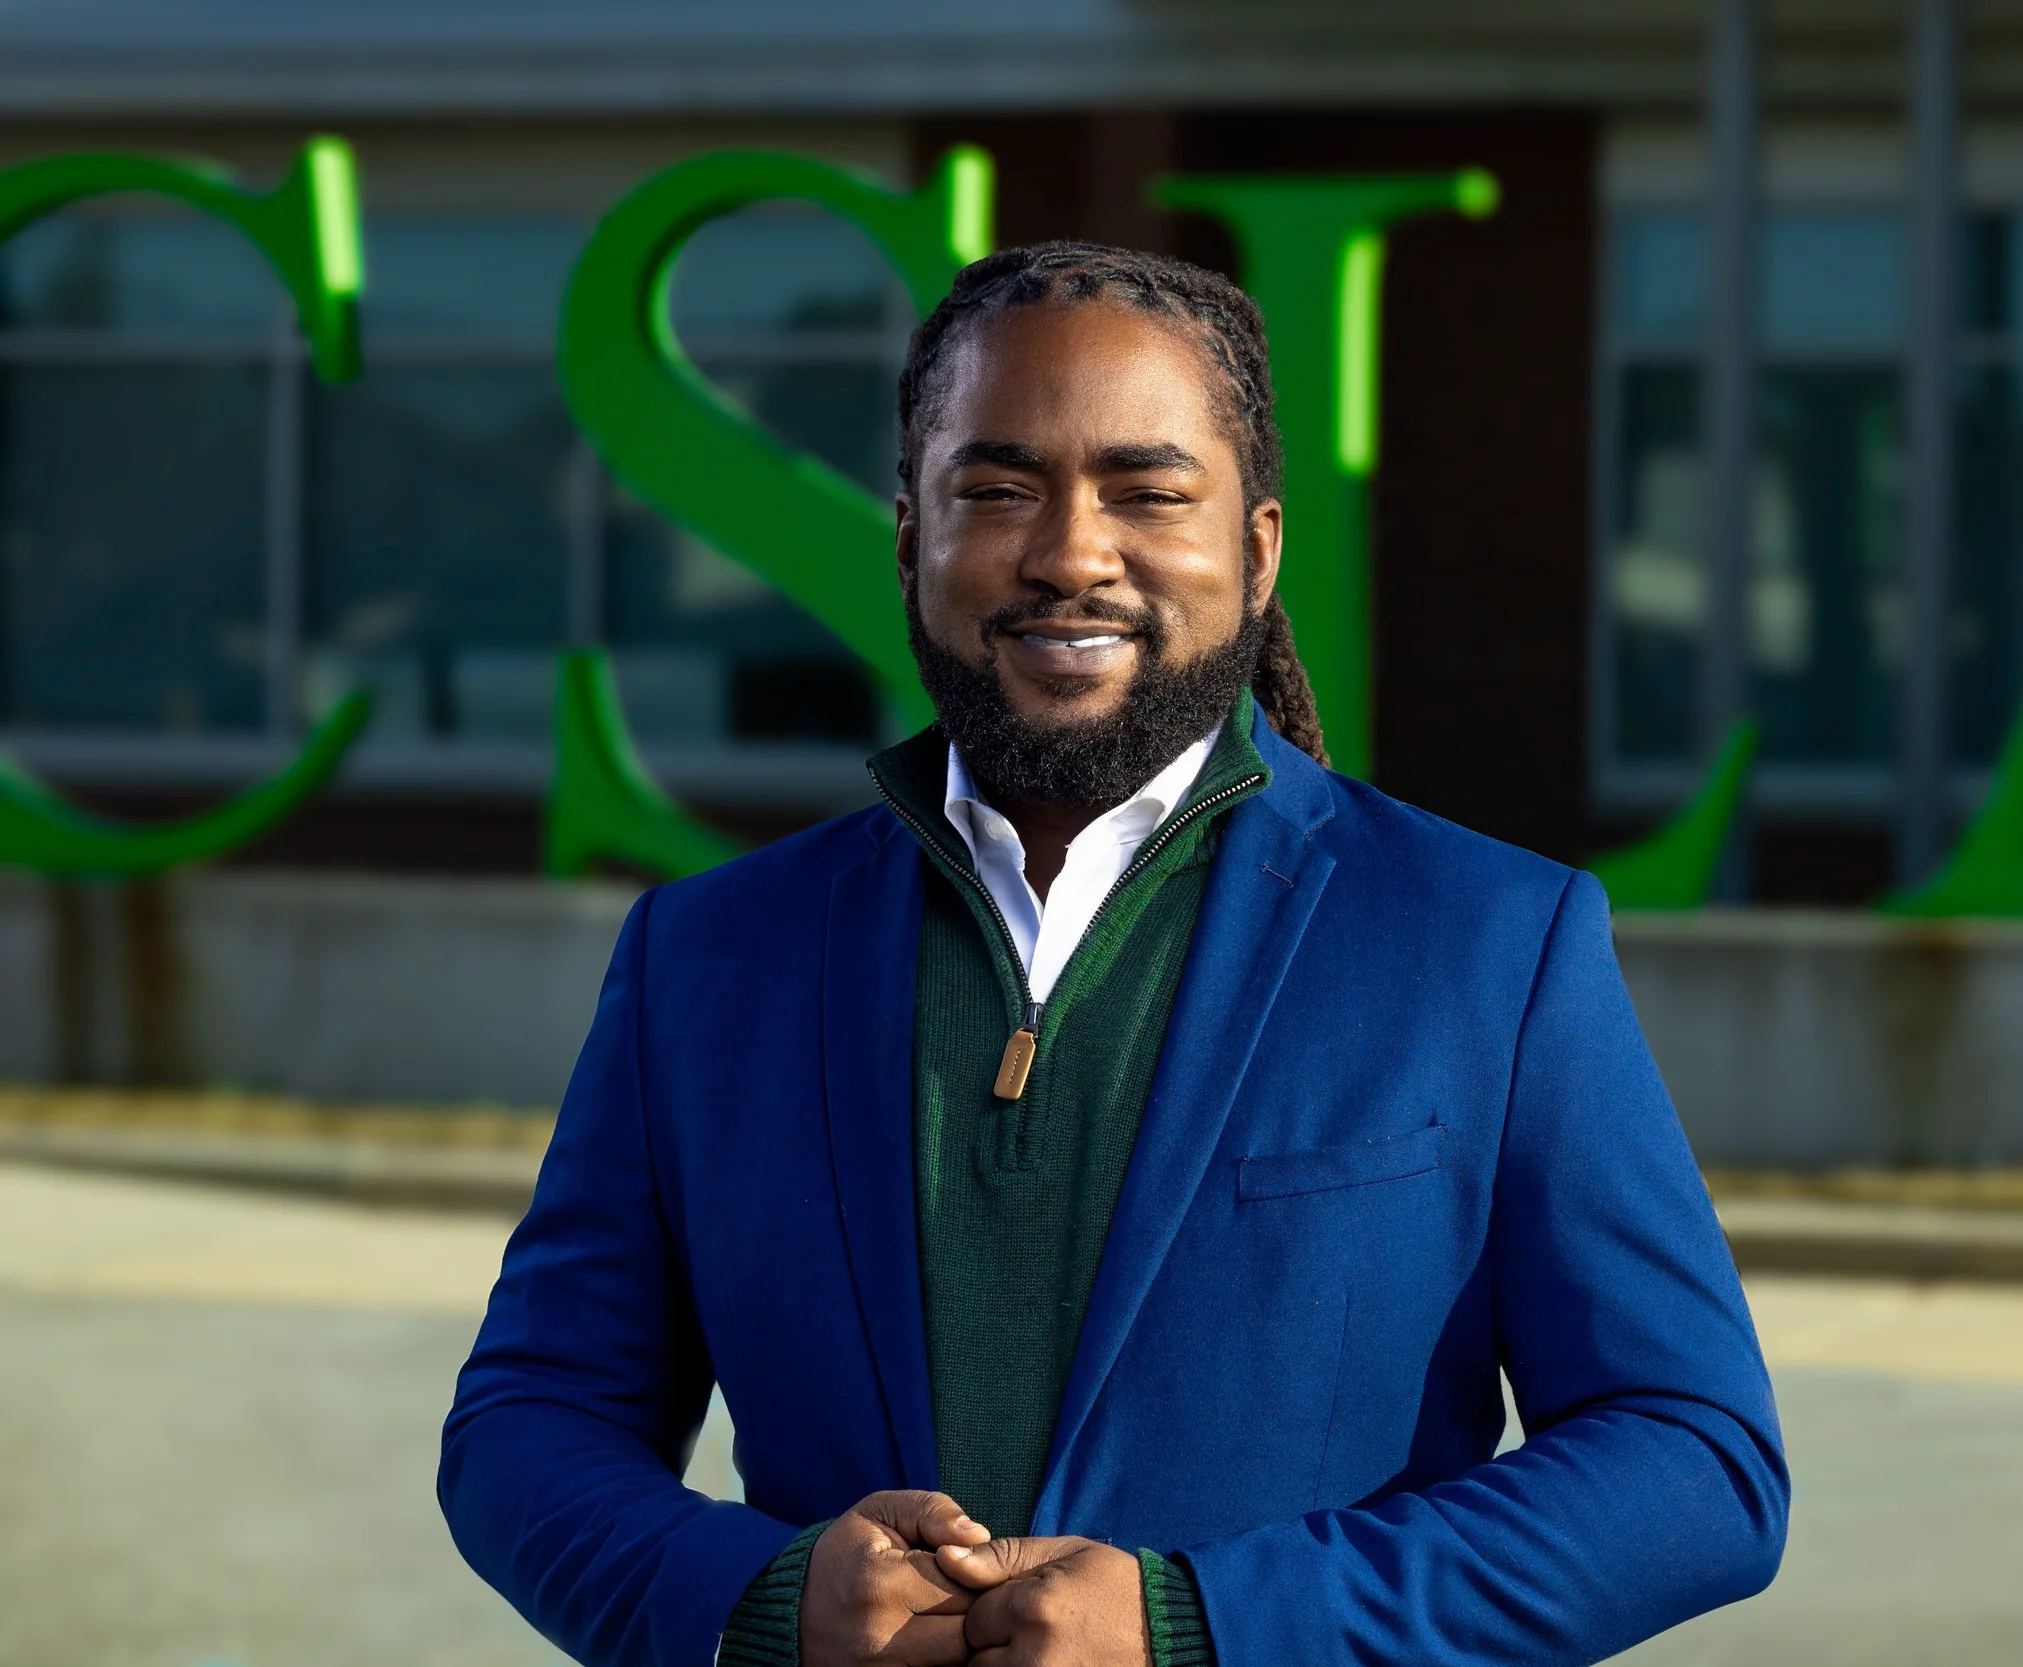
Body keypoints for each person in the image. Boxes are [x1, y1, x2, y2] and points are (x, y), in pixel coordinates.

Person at [440, 242, 1786, 1667]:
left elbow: (1696, 1463)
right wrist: (760, 1596)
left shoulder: (1493, 943)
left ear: (1259, 551)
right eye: (999, 488)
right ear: (910, 538)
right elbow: (531, 1422)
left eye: (1147, 492)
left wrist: (1207, 1625)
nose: (1071, 552)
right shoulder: (706, 958)